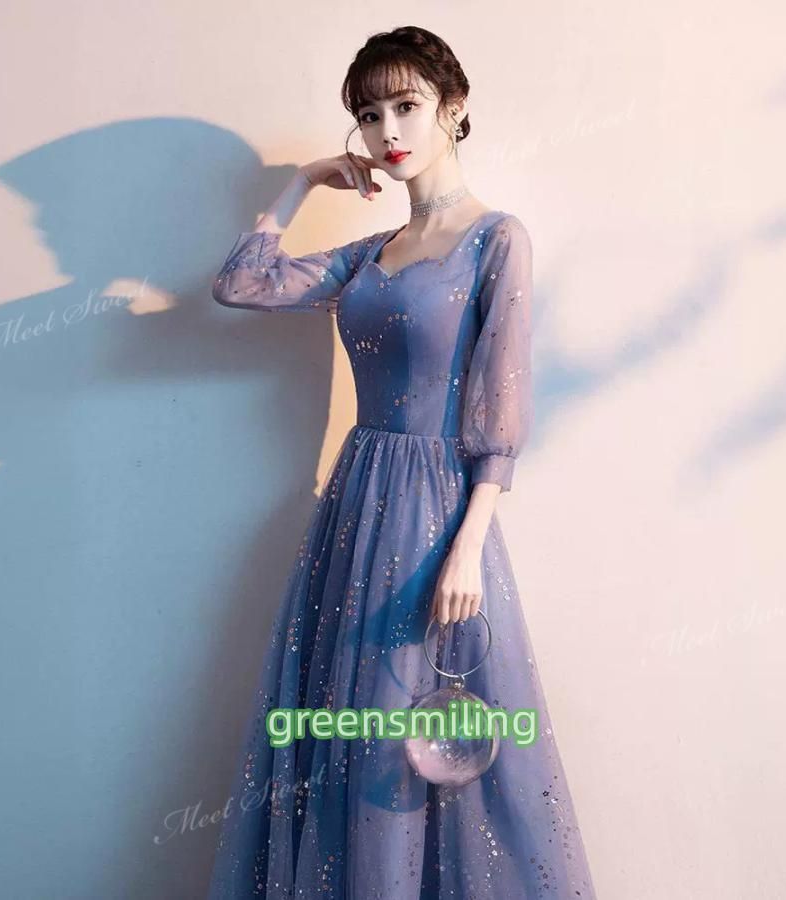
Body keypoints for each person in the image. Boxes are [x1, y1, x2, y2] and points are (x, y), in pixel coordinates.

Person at [206, 25, 596, 900]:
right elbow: (241, 284)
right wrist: (304, 180)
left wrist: (469, 544)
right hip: (352, 507)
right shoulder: (367, 256)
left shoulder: (497, 240)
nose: (388, 129)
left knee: (415, 726)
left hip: (437, 512)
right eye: (369, 113)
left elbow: (499, 410)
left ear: (454, 108)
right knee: (350, 728)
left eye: (407, 104)